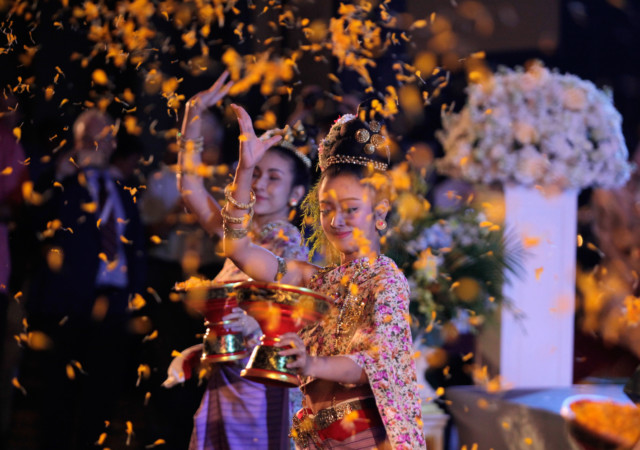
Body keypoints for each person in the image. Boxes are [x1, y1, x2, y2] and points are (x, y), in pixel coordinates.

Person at [220, 102, 426, 448]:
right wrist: (245, 171)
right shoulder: (313, 278)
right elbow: (238, 249)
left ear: (379, 212)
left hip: (360, 436)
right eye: (327, 209)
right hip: (314, 435)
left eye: (351, 209)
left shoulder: (385, 278)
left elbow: (373, 364)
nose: (336, 221)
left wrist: (310, 361)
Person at [166, 71, 315, 449]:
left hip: (259, 385)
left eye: (274, 178)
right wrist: (193, 114)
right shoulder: (239, 237)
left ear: (297, 193)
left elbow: (272, 323)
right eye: (256, 173)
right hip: (224, 376)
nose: (261, 185)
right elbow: (191, 188)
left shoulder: (286, 243)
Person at [22, 108, 147, 448]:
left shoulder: (122, 188)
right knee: (59, 393)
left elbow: (135, 246)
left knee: (102, 392)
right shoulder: (62, 181)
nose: (103, 144)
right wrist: (56, 175)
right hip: (69, 302)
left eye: (108, 137)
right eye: (95, 136)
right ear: (77, 141)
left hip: (115, 303)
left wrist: (137, 295)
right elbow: (31, 219)